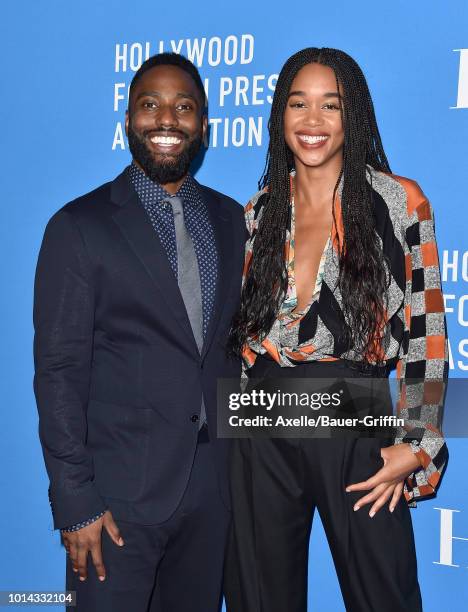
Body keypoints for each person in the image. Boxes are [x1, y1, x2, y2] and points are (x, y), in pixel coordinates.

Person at [224, 47, 448, 612]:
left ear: (355, 117)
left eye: (332, 105)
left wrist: (417, 444)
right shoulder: (258, 212)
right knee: (258, 597)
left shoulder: (399, 202)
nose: (313, 121)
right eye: (299, 104)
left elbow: (426, 332)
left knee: (384, 596)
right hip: (262, 425)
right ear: (280, 115)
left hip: (355, 416)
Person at [33, 52, 246, 612]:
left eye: (184, 107)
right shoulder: (79, 226)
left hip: (211, 496)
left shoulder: (232, 221)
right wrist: (75, 501)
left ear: (203, 124)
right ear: (128, 119)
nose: (166, 120)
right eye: (150, 105)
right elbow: (59, 373)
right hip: (115, 503)